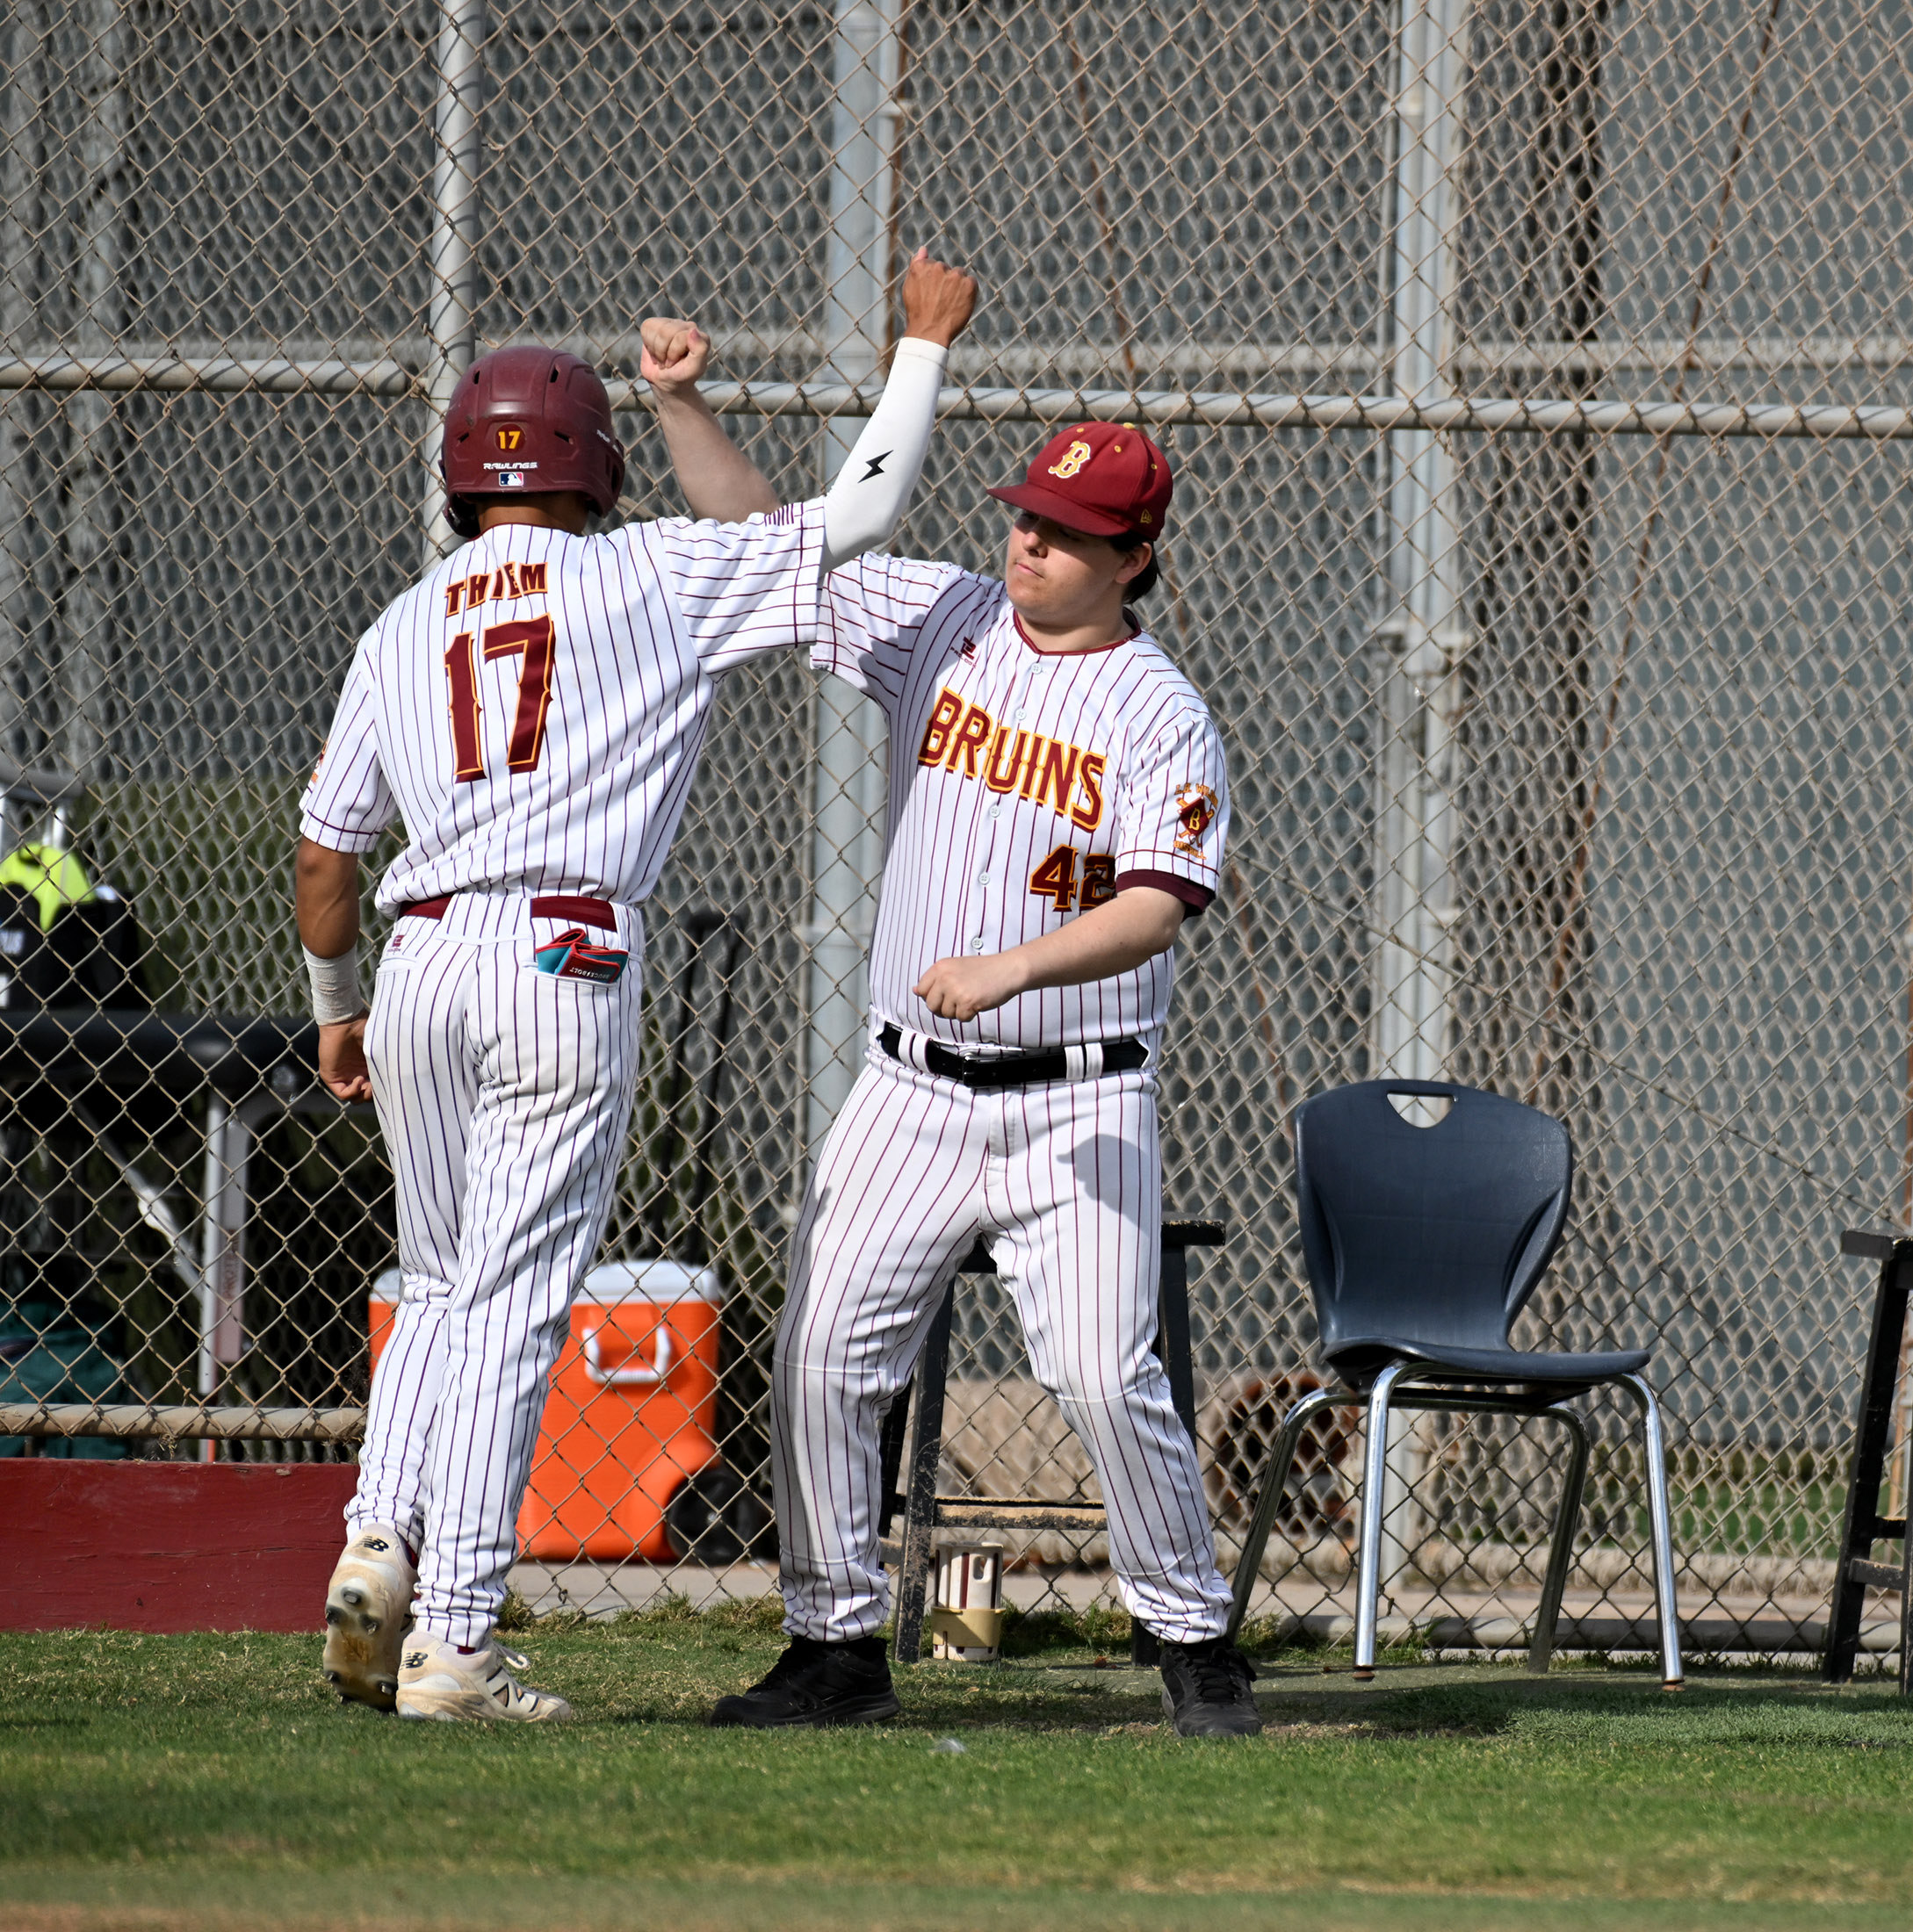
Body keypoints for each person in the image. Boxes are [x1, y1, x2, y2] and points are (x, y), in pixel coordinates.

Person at [300, 252, 978, 1721]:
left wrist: (332, 1005)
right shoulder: (650, 569)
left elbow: (326, 850)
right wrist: (920, 349)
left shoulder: (398, 624)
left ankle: (374, 1549)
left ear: (461, 484)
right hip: (561, 954)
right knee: (513, 1303)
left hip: (415, 963)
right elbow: (854, 515)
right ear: (593, 467)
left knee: (439, 1282)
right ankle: (457, 1642)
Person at [639, 328, 1260, 1735]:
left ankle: (1192, 1641)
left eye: (1069, 531)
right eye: (1029, 516)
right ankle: (836, 1646)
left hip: (1080, 1103)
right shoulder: (945, 616)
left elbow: (1163, 903)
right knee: (819, 1358)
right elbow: (772, 544)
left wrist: (1015, 969)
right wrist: (682, 406)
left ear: (1135, 557)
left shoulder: (1161, 712)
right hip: (909, 1093)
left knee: (1108, 1375)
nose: (1034, 544)